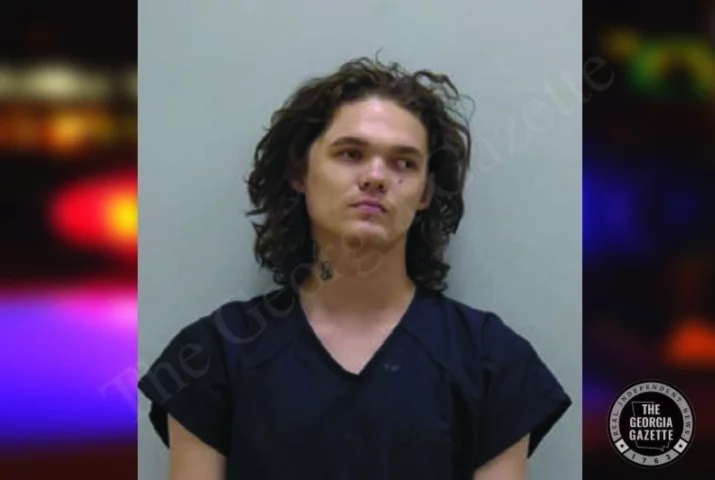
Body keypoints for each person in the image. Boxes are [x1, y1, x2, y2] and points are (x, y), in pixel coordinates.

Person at [138, 56, 572, 480]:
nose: (376, 177)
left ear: (425, 193)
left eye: (404, 163)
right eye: (350, 154)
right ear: (300, 173)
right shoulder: (212, 357)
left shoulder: (492, 362)